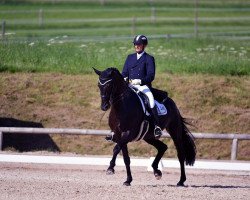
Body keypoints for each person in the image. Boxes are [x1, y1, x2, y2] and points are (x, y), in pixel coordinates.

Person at [122, 34, 162, 139]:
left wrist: (140, 81)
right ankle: (116, 127)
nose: (136, 46)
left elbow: (151, 76)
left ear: (144, 45)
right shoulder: (129, 58)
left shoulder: (149, 58)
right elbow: (124, 72)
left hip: (143, 86)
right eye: (135, 44)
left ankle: (157, 126)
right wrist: (125, 78)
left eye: (138, 44)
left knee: (151, 100)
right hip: (130, 85)